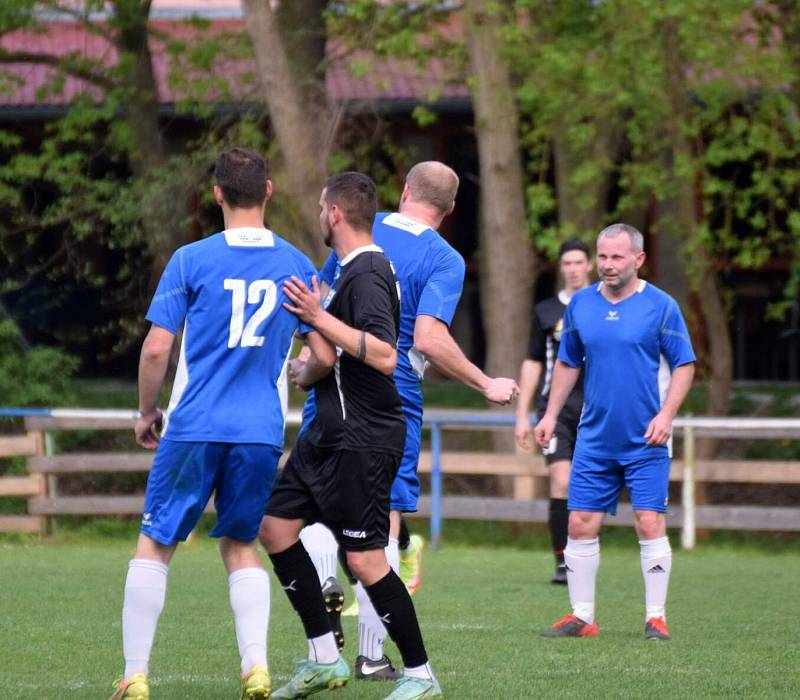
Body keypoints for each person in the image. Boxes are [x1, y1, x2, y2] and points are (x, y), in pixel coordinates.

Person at [108, 147, 335, 700]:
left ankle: (135, 675)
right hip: (259, 430)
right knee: (241, 544)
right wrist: (301, 373)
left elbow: (158, 347)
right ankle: (255, 668)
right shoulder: (295, 265)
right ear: (270, 191)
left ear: (217, 195)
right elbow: (325, 356)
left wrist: (145, 412)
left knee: (155, 542)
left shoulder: (191, 259)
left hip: (193, 424)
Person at [299, 161, 520, 680]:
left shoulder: (360, 230)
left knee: (313, 495)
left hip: (332, 375)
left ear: (403, 192)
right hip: (389, 388)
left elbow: (318, 304)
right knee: (382, 519)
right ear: (450, 210)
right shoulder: (444, 258)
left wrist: (309, 364)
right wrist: (486, 382)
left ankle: (324, 586)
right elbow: (426, 338)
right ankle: (372, 656)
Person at [260, 171, 443, 700]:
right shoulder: (342, 272)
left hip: (365, 436)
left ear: (335, 213)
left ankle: (420, 675)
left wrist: (318, 316)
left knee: (365, 561)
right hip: (328, 433)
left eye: (322, 208)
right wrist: (308, 362)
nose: (320, 216)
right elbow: (335, 358)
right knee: (274, 528)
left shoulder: (368, 272)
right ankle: (324, 657)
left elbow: (384, 356)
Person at [534, 223, 695, 641]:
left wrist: (667, 414)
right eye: (602, 256)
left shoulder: (661, 306)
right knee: (580, 523)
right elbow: (568, 363)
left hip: (647, 439)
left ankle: (656, 617)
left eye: (616, 257)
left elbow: (684, 364)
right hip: (594, 438)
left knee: (648, 521)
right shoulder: (582, 305)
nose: (607, 265)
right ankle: (581, 617)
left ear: (638, 259)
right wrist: (550, 416)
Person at [515, 239, 593, 584]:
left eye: (579, 262)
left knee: (588, 485)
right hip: (555, 409)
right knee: (561, 480)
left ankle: (585, 553)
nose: (574, 269)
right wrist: (522, 414)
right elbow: (533, 363)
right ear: (561, 268)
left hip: (596, 409)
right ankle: (563, 563)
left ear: (589, 265)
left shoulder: (602, 307)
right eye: (567, 263)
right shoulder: (546, 311)